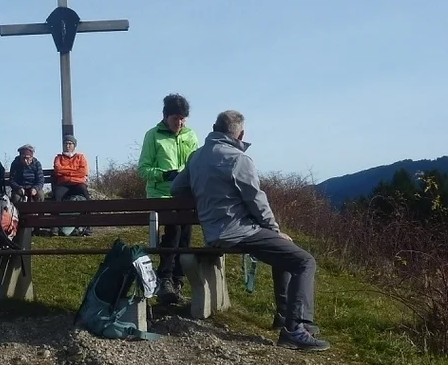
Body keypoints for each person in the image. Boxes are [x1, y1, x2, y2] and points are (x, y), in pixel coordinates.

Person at [171, 110, 330, 351]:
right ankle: (296, 329)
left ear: (214, 128)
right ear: (240, 134)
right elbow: (257, 201)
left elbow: (176, 188)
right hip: (240, 232)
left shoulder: (196, 157)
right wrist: (275, 230)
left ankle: (286, 317)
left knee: (285, 254)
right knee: (304, 262)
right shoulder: (238, 159)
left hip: (214, 234)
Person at [138, 93, 201, 304]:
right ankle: (164, 278)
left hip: (185, 194)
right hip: (161, 194)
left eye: (183, 118)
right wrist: (164, 174)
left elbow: (197, 164)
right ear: (166, 116)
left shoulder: (191, 136)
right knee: (174, 231)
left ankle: (177, 280)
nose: (180, 123)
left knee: (186, 235)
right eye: (176, 118)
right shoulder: (153, 135)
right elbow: (143, 169)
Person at [52, 135, 90, 201]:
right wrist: (75, 171)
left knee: (84, 192)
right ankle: (58, 211)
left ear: (74, 145)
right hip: (64, 184)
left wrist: (65, 172)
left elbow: (83, 172)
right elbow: (58, 170)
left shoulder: (80, 157)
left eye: (70, 143)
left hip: (78, 183)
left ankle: (89, 210)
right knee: (57, 195)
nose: (67, 146)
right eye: (65, 143)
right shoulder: (58, 158)